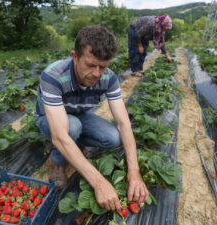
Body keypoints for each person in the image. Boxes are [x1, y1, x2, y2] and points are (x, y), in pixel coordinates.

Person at [35, 25, 149, 211]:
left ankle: (75, 145)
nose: (96, 73)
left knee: (113, 137)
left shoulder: (109, 78)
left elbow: (123, 123)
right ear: (75, 56)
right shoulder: (53, 76)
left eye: (102, 66)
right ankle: (57, 161)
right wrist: (99, 182)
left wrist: (134, 172)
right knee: (70, 129)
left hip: (79, 114)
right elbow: (59, 136)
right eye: (90, 65)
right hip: (50, 118)